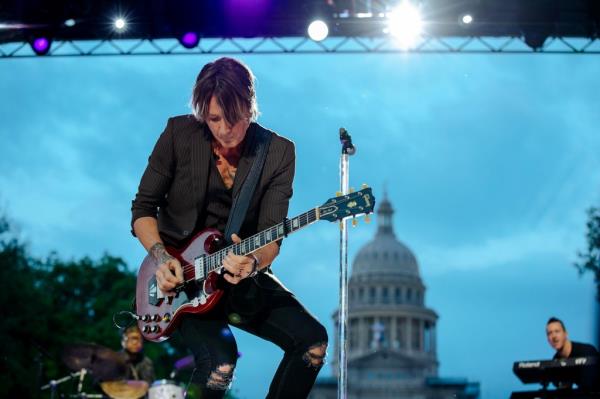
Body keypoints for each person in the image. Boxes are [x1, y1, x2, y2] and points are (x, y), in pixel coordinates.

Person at [131, 57, 328, 399]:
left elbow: (271, 235)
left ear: (250, 108)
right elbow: (142, 210)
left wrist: (253, 263)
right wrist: (162, 259)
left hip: (240, 273)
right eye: (213, 119)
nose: (223, 129)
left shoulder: (278, 152)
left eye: (233, 119)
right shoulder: (178, 134)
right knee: (219, 365)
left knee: (312, 343)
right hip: (182, 283)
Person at [545, 317, 598, 389]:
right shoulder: (555, 363)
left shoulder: (587, 352)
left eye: (557, 331)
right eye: (549, 333)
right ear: (548, 339)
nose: (554, 336)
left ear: (566, 334)